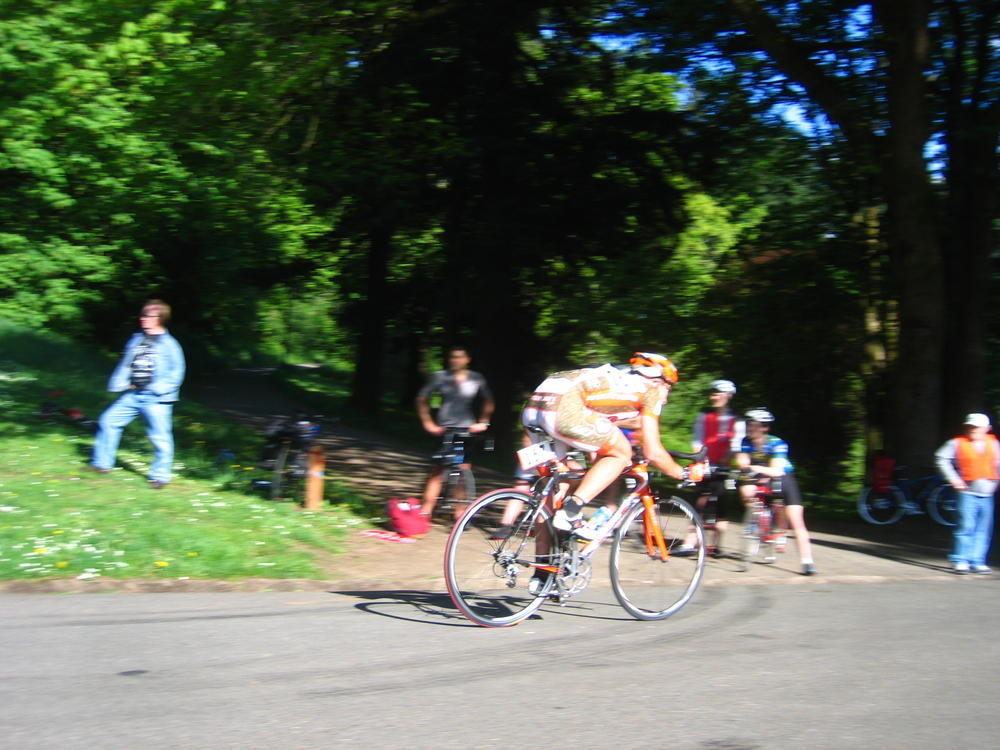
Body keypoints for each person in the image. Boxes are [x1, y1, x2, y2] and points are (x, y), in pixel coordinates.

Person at [521, 352, 685, 541]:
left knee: (553, 492)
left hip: (534, 407)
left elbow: (597, 439)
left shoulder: (617, 381)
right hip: (562, 410)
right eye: (668, 389)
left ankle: (544, 560)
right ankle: (571, 512)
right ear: (657, 381)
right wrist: (682, 473)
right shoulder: (651, 391)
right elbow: (653, 452)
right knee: (622, 453)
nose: (666, 398)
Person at [88, 300, 186, 488]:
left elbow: (177, 372)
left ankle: (160, 477)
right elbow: (126, 364)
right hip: (134, 394)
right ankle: (101, 464)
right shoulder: (136, 339)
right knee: (108, 421)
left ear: (159, 318)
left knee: (159, 437)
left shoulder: (170, 344)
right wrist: (122, 383)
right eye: (142, 315)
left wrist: (156, 389)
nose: (142, 319)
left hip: (156, 398)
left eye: (147, 315)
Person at [416, 346, 494, 520]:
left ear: (467, 359)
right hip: (445, 428)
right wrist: (428, 423)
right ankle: (425, 512)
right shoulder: (440, 376)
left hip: (467, 429)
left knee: (464, 470)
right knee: (438, 470)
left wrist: (484, 421)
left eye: (459, 357)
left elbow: (488, 399)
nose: (455, 360)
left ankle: (460, 514)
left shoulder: (476, 378)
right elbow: (421, 398)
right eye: (453, 357)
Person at [736, 408, 817, 576]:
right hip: (760, 473)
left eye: (754, 425)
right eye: (748, 424)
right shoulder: (745, 441)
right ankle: (755, 520)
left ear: (764, 427)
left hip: (782, 476)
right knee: (746, 490)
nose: (750, 428)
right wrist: (747, 469)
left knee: (796, 518)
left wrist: (753, 468)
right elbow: (742, 464)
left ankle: (807, 562)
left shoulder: (777, 443)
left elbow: (776, 470)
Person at [681, 379, 745, 556]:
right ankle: (690, 542)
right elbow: (697, 439)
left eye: (717, 394)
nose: (713, 397)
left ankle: (716, 544)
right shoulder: (704, 415)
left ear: (728, 396)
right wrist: (701, 459)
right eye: (712, 394)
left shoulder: (738, 420)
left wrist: (725, 460)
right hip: (704, 463)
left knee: (721, 503)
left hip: (723, 466)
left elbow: (736, 444)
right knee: (698, 501)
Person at [935, 413, 998, 575]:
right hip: (967, 492)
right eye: (970, 426)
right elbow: (941, 458)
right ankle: (960, 560)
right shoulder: (957, 443)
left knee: (983, 529)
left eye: (976, 427)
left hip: (988, 494)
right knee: (965, 526)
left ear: (987, 428)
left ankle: (978, 561)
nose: (972, 429)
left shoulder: (993, 443)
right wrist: (953, 479)